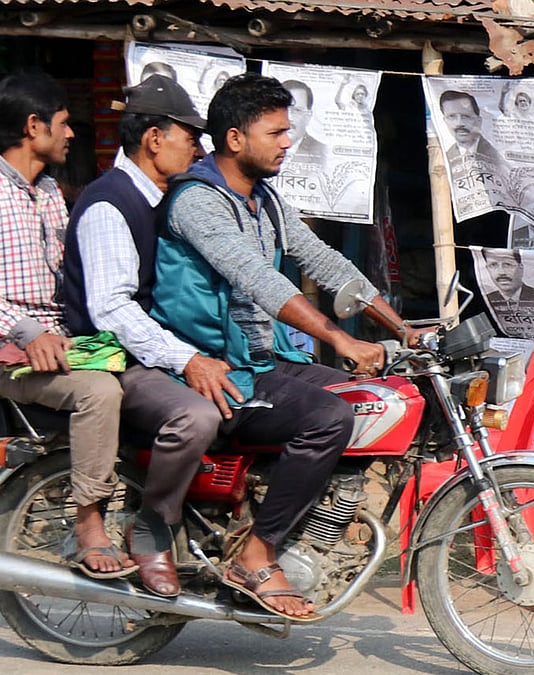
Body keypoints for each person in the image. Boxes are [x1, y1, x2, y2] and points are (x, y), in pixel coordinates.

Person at [155, 73, 415, 619]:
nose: (286, 142)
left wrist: (401, 329)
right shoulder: (198, 202)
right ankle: (257, 553)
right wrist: (337, 336)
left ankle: (305, 526)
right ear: (234, 138)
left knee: (369, 396)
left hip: (264, 359)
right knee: (326, 418)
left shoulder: (264, 202)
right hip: (217, 371)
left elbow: (325, 262)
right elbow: (259, 279)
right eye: (275, 132)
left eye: (287, 131)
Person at [0, 73, 132, 580]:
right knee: (99, 394)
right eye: (64, 124)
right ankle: (89, 522)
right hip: (3, 353)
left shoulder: (50, 191)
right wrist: (26, 330)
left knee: (154, 372)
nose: (71, 135)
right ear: (34, 127)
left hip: (59, 341)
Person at [61, 76, 220, 597]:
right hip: (113, 357)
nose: (197, 149)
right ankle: (151, 529)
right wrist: (186, 358)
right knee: (196, 416)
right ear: (154, 139)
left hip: (145, 352)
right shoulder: (112, 203)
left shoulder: (157, 197)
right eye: (189, 136)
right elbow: (112, 309)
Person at [481, 247, 534, 337]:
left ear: (521, 268)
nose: (501, 272)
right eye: (493, 265)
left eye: (508, 264)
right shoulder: (487, 298)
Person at [438, 90, 504, 165]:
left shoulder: (499, 154)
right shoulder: (444, 157)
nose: (459, 123)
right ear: (445, 120)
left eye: (466, 116)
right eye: (452, 116)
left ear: (479, 121)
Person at [279, 80, 328, 168]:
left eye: (297, 110)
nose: (289, 117)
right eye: (283, 109)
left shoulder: (323, 153)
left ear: (308, 117)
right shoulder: (256, 146)